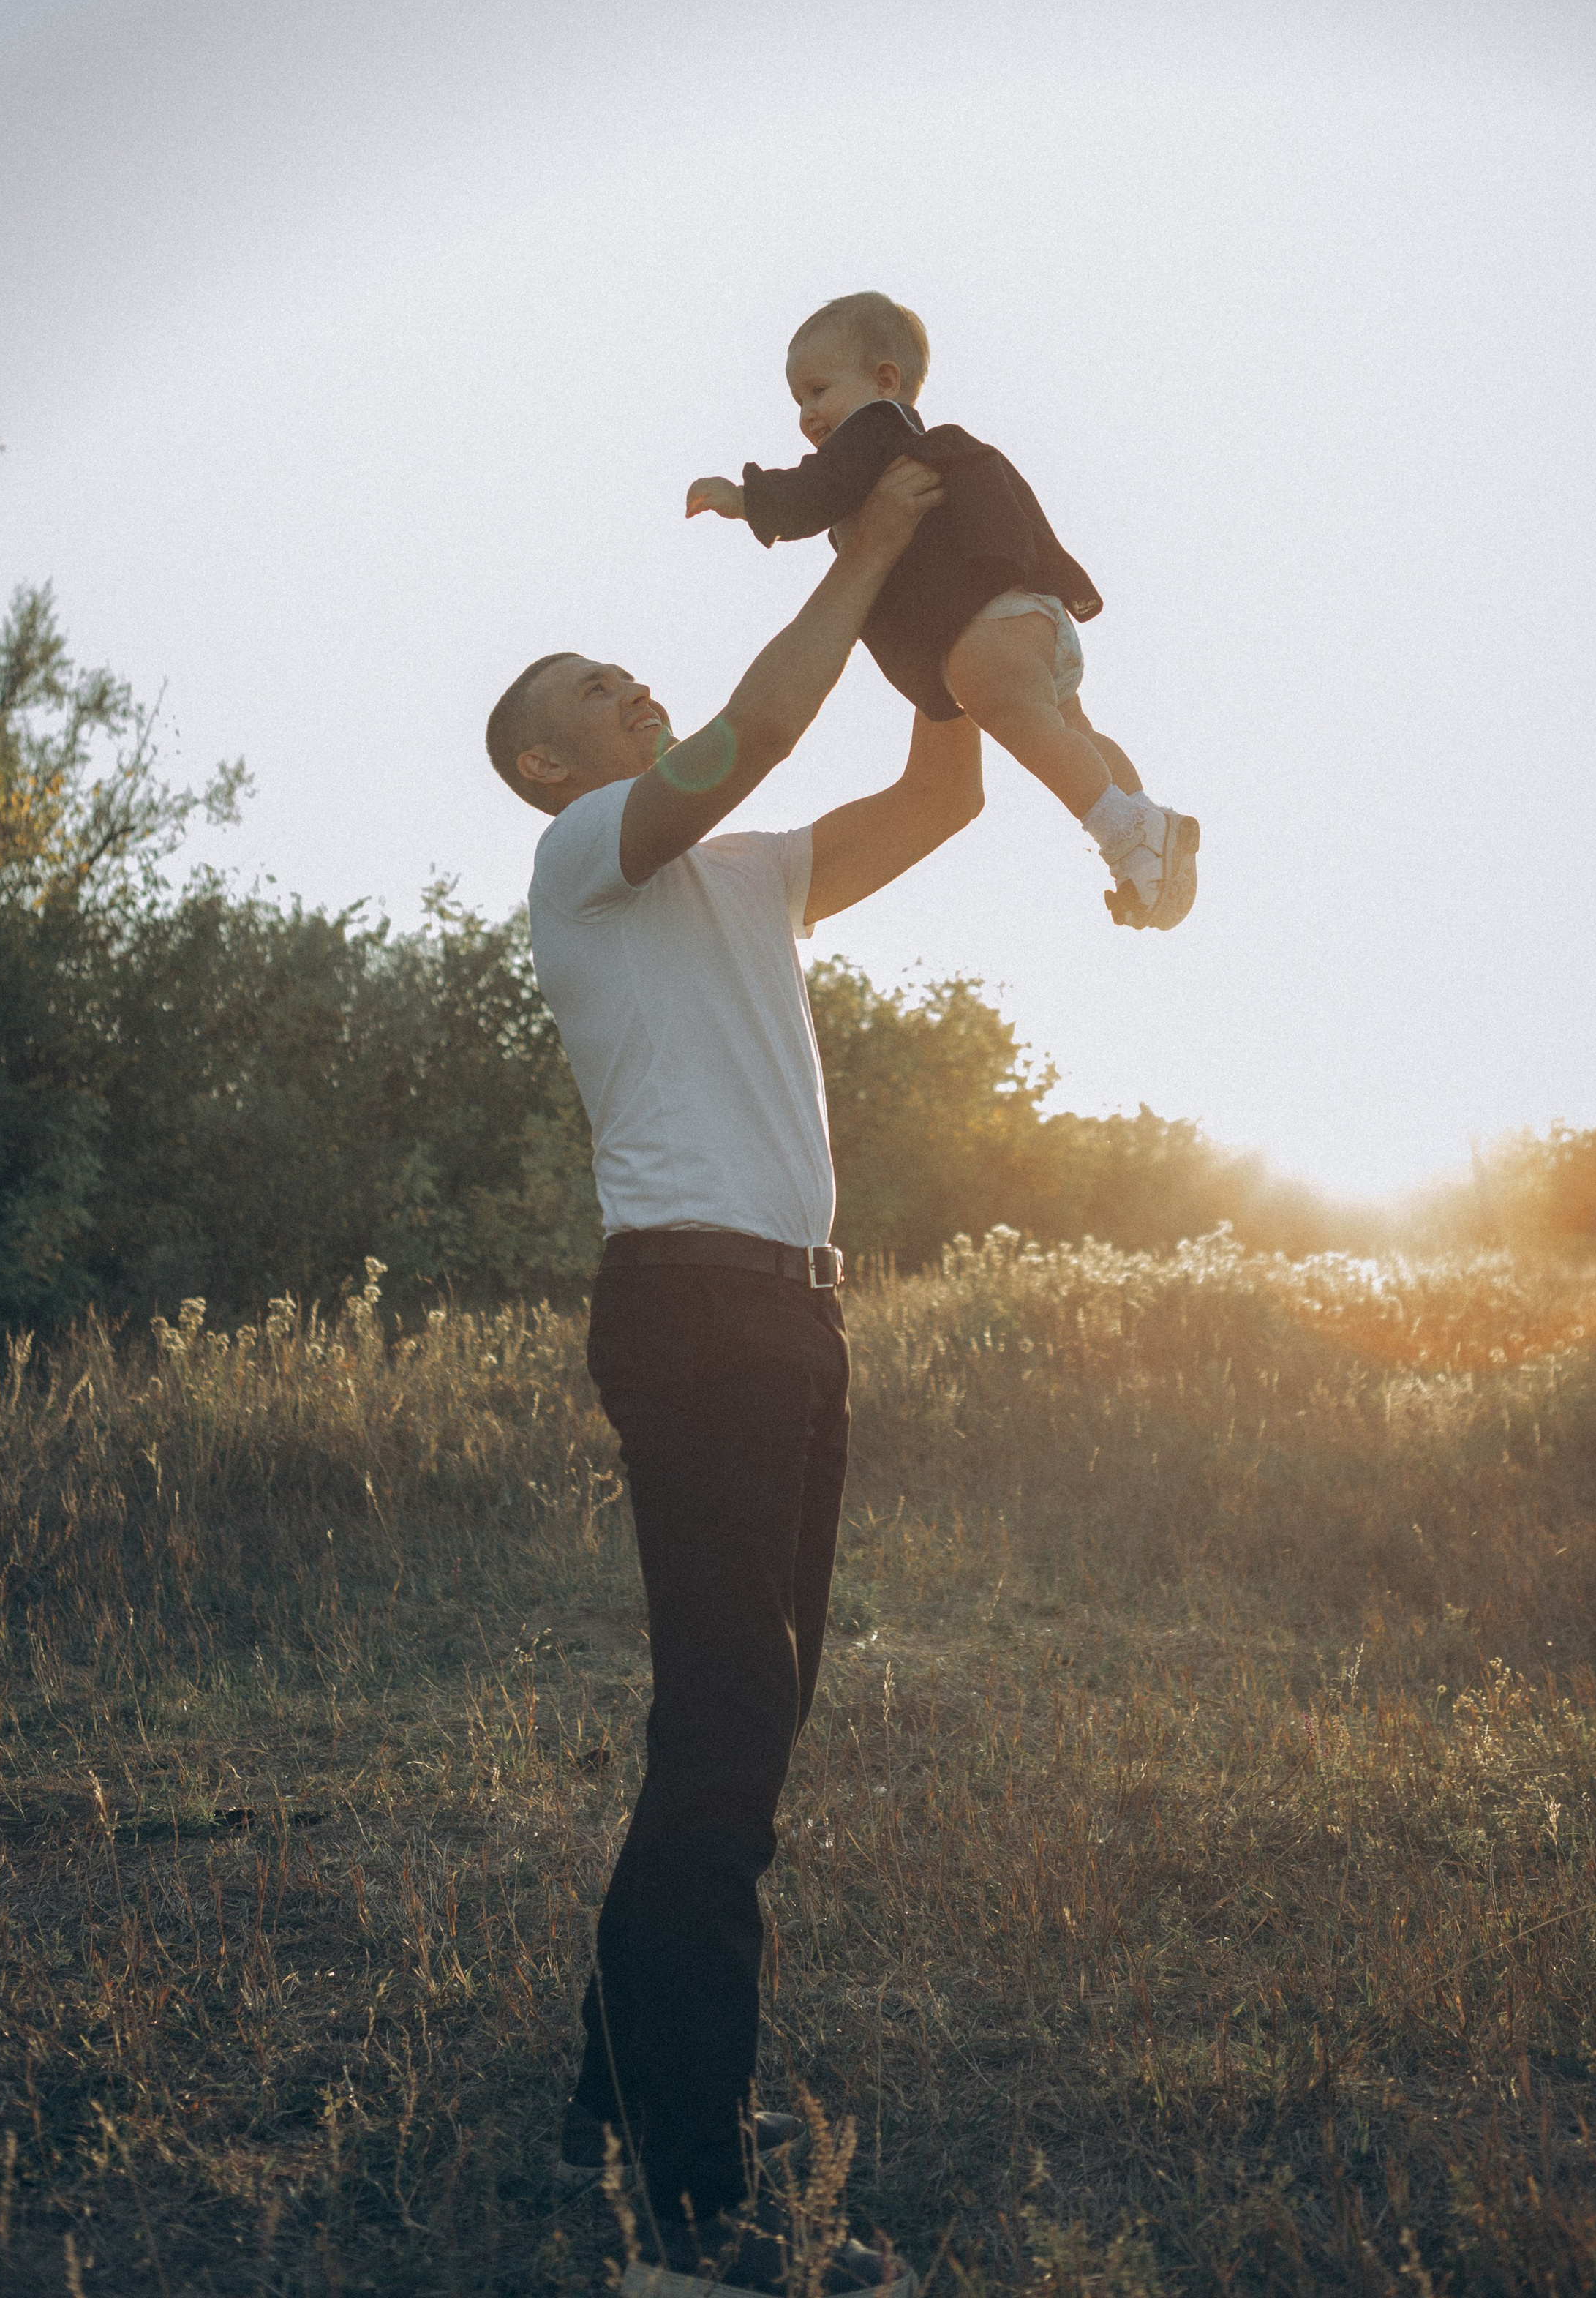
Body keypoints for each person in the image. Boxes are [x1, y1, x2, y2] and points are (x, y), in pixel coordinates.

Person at [485, 454, 980, 2297]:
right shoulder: (582, 857)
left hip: (794, 1317)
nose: (629, 686)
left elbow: (942, 786)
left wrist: (953, 604)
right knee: (727, 1738)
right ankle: (691, 2226)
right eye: (584, 691)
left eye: (627, 668)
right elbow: (767, 722)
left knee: (731, 1719)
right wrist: (867, 543)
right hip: (693, 1311)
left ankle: (616, 2096)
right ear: (547, 767)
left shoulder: (750, 877)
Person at [686, 289, 1200, 931]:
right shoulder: (901, 445)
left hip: (991, 627)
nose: (807, 416)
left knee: (1011, 711)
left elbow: (819, 491)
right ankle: (1147, 836)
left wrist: (747, 498)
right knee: (1069, 728)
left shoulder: (872, 432)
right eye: (798, 402)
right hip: (1029, 623)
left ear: (884, 381)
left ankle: (1126, 833)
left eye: (817, 391)